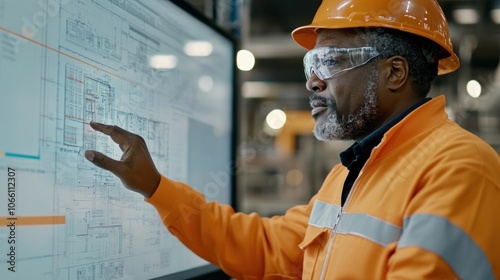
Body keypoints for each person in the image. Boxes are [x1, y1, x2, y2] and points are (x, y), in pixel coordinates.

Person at [85, 0, 500, 279]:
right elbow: (266, 246)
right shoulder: (349, 174)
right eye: (311, 63)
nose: (313, 80)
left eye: (331, 61)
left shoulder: (459, 168)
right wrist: (156, 188)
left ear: (394, 73)